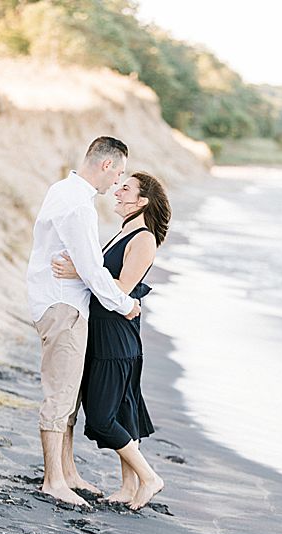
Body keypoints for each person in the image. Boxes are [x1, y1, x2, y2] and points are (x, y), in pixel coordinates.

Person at [24, 136, 141, 507]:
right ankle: (53, 480)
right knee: (60, 395)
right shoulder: (78, 206)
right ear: (106, 165)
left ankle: (68, 471)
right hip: (64, 307)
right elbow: (92, 270)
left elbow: (82, 265)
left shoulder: (62, 190)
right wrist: (125, 304)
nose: (118, 181)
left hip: (57, 302)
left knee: (70, 394)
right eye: (118, 172)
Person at [51, 171, 169, 510]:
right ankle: (129, 487)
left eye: (126, 189)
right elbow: (104, 278)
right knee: (122, 411)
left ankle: (149, 478)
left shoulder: (143, 239)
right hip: (104, 332)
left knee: (102, 419)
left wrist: (79, 272)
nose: (117, 192)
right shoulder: (124, 232)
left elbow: (121, 288)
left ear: (142, 201)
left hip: (117, 338)